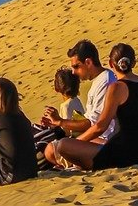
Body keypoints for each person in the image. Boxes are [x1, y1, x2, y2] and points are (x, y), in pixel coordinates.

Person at [52, 43, 138, 170]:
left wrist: (77, 142)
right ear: (133, 63)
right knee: (87, 143)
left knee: (63, 145)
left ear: (111, 64)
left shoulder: (116, 88)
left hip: (123, 155)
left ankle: (84, 164)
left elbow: (100, 126)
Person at [39, 40, 118, 168]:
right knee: (51, 147)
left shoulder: (105, 81)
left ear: (88, 62)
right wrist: (56, 124)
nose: (74, 72)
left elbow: (94, 125)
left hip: (105, 142)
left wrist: (61, 123)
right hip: (97, 139)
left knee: (55, 148)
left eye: (76, 66)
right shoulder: (100, 81)